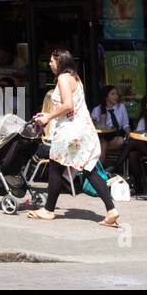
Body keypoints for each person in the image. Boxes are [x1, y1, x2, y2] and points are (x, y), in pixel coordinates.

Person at [28, 49, 120, 227]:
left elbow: (68, 106)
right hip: (82, 131)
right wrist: (48, 113)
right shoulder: (75, 78)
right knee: (88, 169)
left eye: (52, 61)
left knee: (55, 167)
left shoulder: (63, 78)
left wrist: (47, 117)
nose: (50, 64)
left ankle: (48, 210)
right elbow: (70, 107)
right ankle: (111, 210)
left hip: (69, 133)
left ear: (61, 62)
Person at [91, 85, 130, 168]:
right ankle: (99, 170)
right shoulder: (97, 109)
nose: (116, 96)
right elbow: (92, 126)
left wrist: (130, 135)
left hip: (115, 136)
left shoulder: (121, 107)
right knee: (103, 142)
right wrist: (94, 122)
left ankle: (97, 169)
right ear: (106, 97)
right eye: (113, 94)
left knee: (120, 141)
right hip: (102, 135)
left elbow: (125, 125)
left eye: (116, 94)